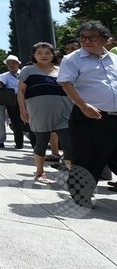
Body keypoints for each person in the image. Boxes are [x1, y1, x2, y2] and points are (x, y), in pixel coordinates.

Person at [58, 20, 117, 207]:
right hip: (89, 116)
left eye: (92, 37)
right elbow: (66, 83)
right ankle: (81, 195)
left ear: (104, 39)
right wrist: (83, 105)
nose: (86, 41)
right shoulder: (73, 59)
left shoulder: (114, 59)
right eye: (83, 37)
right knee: (87, 157)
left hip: (114, 117)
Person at [18, 42, 73, 184]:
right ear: (34, 55)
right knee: (41, 142)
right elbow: (21, 92)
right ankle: (40, 171)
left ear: (53, 54)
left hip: (64, 112)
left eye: (48, 53)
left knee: (68, 144)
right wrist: (22, 109)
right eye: (39, 53)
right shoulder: (27, 70)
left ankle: (75, 177)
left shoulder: (62, 70)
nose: (44, 56)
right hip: (39, 112)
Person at [0, 54, 26, 149]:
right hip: (12, 100)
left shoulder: (24, 73)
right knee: (16, 122)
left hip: (26, 98)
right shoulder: (5, 75)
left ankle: (34, 143)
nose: (11, 65)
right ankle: (19, 143)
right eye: (8, 63)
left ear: (18, 64)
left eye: (13, 63)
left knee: (29, 121)